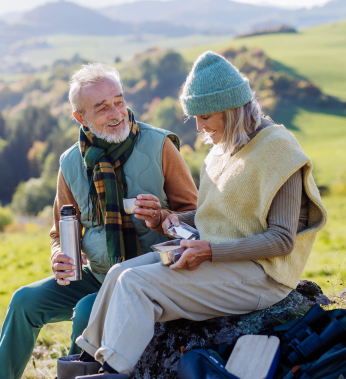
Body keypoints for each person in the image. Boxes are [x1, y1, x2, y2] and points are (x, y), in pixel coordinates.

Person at [73, 51, 328, 378]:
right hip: (223, 261)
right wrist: (170, 218)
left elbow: (281, 241)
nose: (199, 126)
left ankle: (114, 372)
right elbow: (216, 215)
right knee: (120, 273)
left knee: (136, 284)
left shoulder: (278, 149)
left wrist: (210, 251)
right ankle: (85, 362)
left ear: (231, 109)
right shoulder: (225, 147)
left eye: (205, 117)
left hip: (262, 277)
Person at [0, 63, 198, 379]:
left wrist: (162, 218)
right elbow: (60, 231)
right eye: (102, 108)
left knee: (86, 309)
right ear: (81, 118)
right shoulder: (71, 163)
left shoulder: (160, 145)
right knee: (24, 301)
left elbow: (196, 217)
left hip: (149, 277)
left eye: (119, 100)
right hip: (97, 274)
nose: (117, 113)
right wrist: (59, 255)